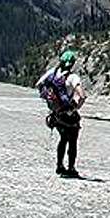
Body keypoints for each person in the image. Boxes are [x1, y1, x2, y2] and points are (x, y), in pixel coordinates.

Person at [36, 49, 88, 178]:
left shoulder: (52, 73)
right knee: (73, 141)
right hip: (68, 114)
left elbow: (38, 85)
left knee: (63, 139)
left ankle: (59, 166)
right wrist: (74, 109)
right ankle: (71, 168)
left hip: (56, 114)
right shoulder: (72, 77)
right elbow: (82, 96)